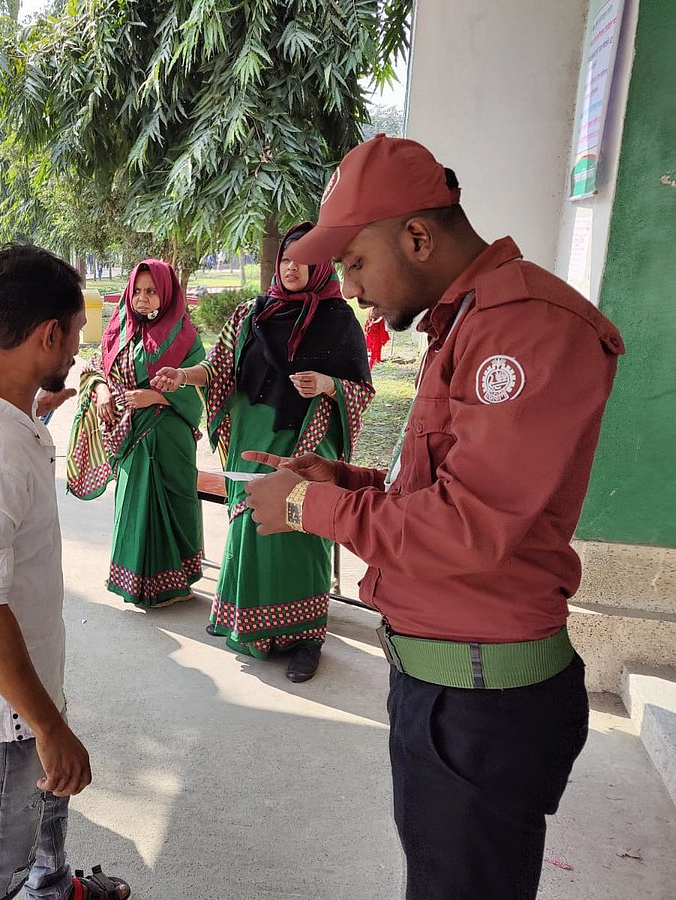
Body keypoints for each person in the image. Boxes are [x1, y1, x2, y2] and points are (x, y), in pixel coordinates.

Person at [243, 136, 625, 899]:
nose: (349, 287)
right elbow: (438, 486)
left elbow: (468, 527)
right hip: (448, 685)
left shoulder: (523, 328)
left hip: (482, 700)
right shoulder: (469, 320)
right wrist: (342, 477)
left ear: (417, 236)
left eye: (354, 262)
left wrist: (304, 504)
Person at [0, 244, 131, 900]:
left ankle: (54, 889)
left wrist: (35, 413)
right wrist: (49, 727)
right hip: (4, 716)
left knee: (47, 820)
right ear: (47, 335)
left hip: (23, 686)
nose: (75, 353)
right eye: (73, 337)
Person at [152, 225, 373, 681]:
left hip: (309, 445)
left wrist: (328, 385)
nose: (292, 267)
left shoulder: (339, 319)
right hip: (252, 440)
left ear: (320, 265)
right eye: (287, 259)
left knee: (303, 530)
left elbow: (362, 390)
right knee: (253, 527)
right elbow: (216, 370)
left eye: (304, 260)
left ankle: (306, 637)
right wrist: (182, 376)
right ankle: (251, 624)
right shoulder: (250, 314)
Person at [67, 259, 205, 608]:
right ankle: (136, 583)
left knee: (172, 505)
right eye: (138, 291)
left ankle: (175, 583)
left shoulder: (185, 334)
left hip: (169, 435)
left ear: (167, 294)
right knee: (134, 505)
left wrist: (155, 395)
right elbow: (97, 370)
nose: (142, 299)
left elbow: (200, 384)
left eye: (151, 291)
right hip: (130, 436)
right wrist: (100, 393)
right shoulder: (119, 328)